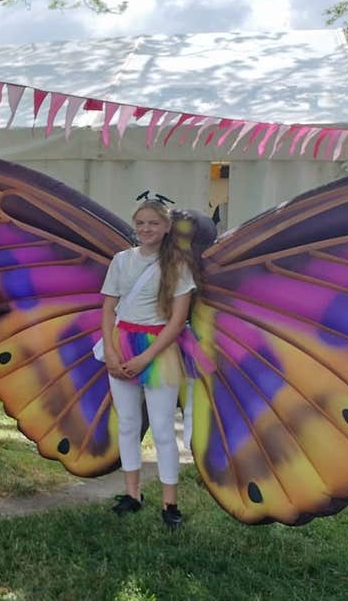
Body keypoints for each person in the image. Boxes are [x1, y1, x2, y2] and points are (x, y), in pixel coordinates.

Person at [100, 197, 202, 530]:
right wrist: (111, 351)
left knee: (161, 428)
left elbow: (178, 320)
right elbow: (108, 309)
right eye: (141, 223)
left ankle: (170, 503)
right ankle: (132, 494)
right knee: (128, 423)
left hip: (159, 348)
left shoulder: (178, 265)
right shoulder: (121, 260)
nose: (146, 229)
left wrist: (146, 356)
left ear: (167, 227)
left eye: (154, 223)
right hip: (121, 343)